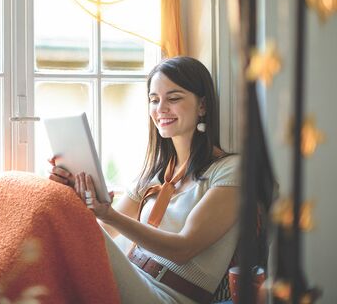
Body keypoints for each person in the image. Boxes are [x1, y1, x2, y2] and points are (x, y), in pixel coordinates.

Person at [49, 56, 241, 304]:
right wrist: (77, 193)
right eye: (154, 100)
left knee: (45, 213)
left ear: (202, 106)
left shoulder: (231, 170)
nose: (161, 108)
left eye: (173, 98)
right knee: (49, 206)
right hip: (135, 274)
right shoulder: (157, 171)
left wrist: (109, 214)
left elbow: (184, 249)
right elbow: (103, 229)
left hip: (170, 296)